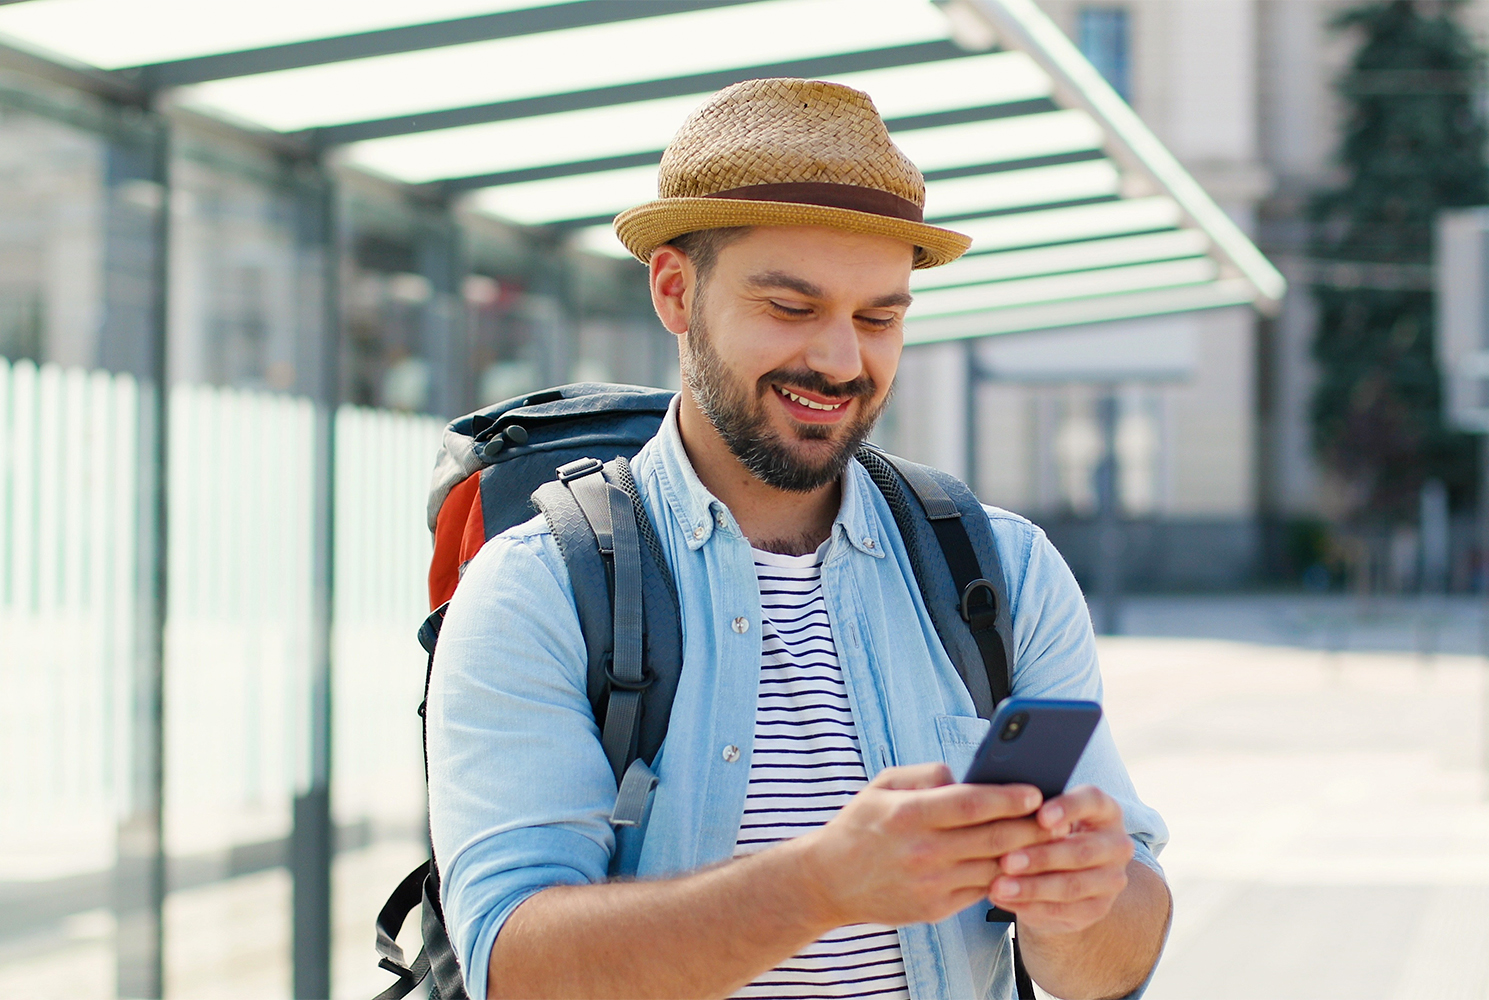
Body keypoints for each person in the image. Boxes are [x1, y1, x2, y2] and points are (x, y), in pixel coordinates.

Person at [427, 78, 1170, 1000]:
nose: (840, 361)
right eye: (790, 307)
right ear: (673, 289)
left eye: (878, 318)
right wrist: (815, 887)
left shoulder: (1002, 570)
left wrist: (1087, 901)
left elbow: (1113, 965)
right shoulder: (538, 589)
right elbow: (514, 968)